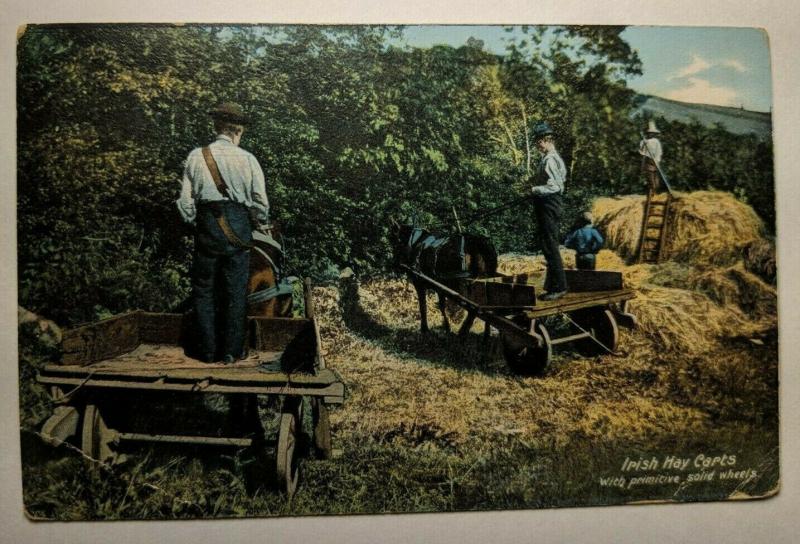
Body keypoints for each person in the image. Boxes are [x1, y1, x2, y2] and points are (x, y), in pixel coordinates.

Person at [176, 102, 270, 363]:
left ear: (217, 126)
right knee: (235, 291)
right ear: (238, 131)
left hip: (207, 226)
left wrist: (196, 221)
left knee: (204, 290)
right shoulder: (248, 159)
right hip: (237, 227)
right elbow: (260, 202)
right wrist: (260, 222)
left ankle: (206, 351)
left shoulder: (197, 156)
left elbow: (185, 204)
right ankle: (231, 352)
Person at [530, 121, 568, 301]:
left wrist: (534, 190)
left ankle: (559, 287)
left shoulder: (550, 159)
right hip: (549, 204)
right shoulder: (552, 158)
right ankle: (553, 286)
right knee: (548, 245)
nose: (537, 145)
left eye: (538, 141)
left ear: (546, 140)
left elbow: (555, 187)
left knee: (550, 246)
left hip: (549, 204)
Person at [639, 120, 663, 197]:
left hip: (655, 160)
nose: (651, 134)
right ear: (647, 133)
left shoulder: (656, 141)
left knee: (656, 180)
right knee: (650, 179)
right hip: (647, 160)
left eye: (652, 133)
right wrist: (644, 145)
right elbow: (641, 152)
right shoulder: (643, 141)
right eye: (649, 133)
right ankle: (652, 193)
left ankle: (655, 193)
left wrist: (657, 161)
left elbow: (659, 152)